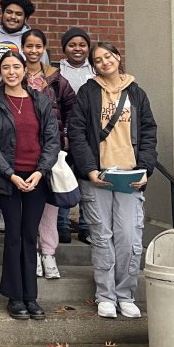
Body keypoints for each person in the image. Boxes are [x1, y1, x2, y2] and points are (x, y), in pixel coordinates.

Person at [67, 42, 157, 320]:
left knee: (129, 238)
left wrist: (145, 168)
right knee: (102, 238)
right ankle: (105, 295)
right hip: (98, 177)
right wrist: (89, 169)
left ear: (117, 57)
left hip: (130, 178)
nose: (104, 62)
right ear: (94, 66)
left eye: (108, 56)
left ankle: (126, 294)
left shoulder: (136, 93)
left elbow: (149, 132)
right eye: (98, 60)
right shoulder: (88, 92)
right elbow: (76, 132)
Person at [0, 50, 59, 321]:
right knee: (13, 235)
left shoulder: (40, 100)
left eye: (16, 67)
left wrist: (40, 172)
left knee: (29, 235)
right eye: (6, 68)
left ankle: (31, 296)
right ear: (0, 72)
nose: (11, 72)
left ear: (25, 70)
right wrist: (11, 174)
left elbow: (52, 139)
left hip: (37, 178)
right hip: (8, 179)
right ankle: (15, 296)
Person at [0, 0, 47, 233]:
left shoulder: (31, 41)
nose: (13, 17)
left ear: (25, 18)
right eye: (9, 12)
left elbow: (42, 73)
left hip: (24, 107)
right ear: (2, 12)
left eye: (18, 14)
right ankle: (0, 209)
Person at [20, 29, 76, 280]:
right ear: (22, 48)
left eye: (37, 46)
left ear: (44, 48)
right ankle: (31, 252)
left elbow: (72, 110)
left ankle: (48, 253)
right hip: (23, 149)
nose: (33, 51)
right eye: (29, 46)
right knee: (28, 205)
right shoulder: (15, 74)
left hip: (51, 149)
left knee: (50, 206)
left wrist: (65, 135)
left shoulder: (56, 79)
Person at [57, 27, 96, 245]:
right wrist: (63, 134)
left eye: (82, 45)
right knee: (63, 178)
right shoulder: (57, 71)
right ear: (64, 49)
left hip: (89, 137)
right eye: (72, 45)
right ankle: (62, 224)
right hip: (64, 134)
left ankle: (85, 226)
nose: (77, 49)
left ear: (88, 48)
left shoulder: (96, 71)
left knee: (86, 180)